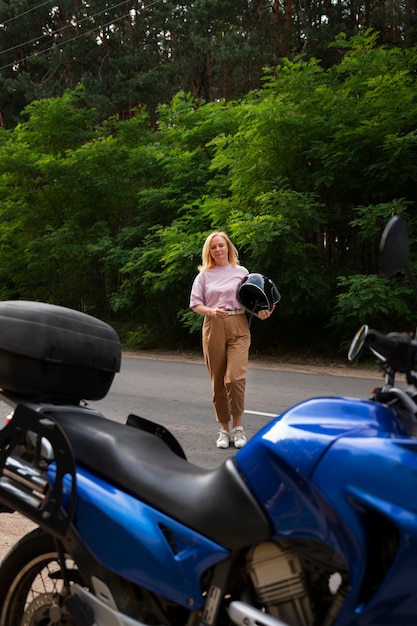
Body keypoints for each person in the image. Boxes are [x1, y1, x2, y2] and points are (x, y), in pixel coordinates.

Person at [189, 231, 274, 449]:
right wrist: (211, 311)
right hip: (213, 326)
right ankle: (224, 429)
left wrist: (260, 313)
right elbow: (195, 304)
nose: (218, 250)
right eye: (213, 247)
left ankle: (238, 428)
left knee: (234, 378)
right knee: (218, 381)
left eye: (221, 245)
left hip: (239, 325)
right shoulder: (204, 275)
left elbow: (249, 300)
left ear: (228, 247)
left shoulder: (241, 272)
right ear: (209, 251)